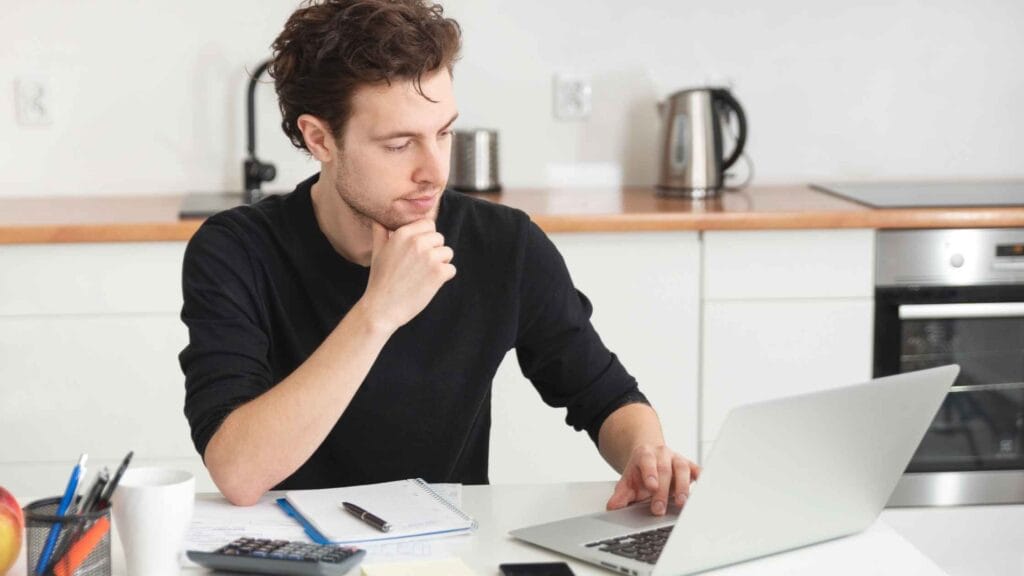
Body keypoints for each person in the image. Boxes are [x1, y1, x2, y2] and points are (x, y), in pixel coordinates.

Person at [179, 0, 699, 514]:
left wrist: (644, 453)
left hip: (446, 551)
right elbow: (239, 472)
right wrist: (377, 313)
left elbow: (604, 396)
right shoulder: (236, 251)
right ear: (320, 139)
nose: (434, 171)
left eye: (444, 133)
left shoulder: (504, 244)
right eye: (400, 144)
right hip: (289, 549)